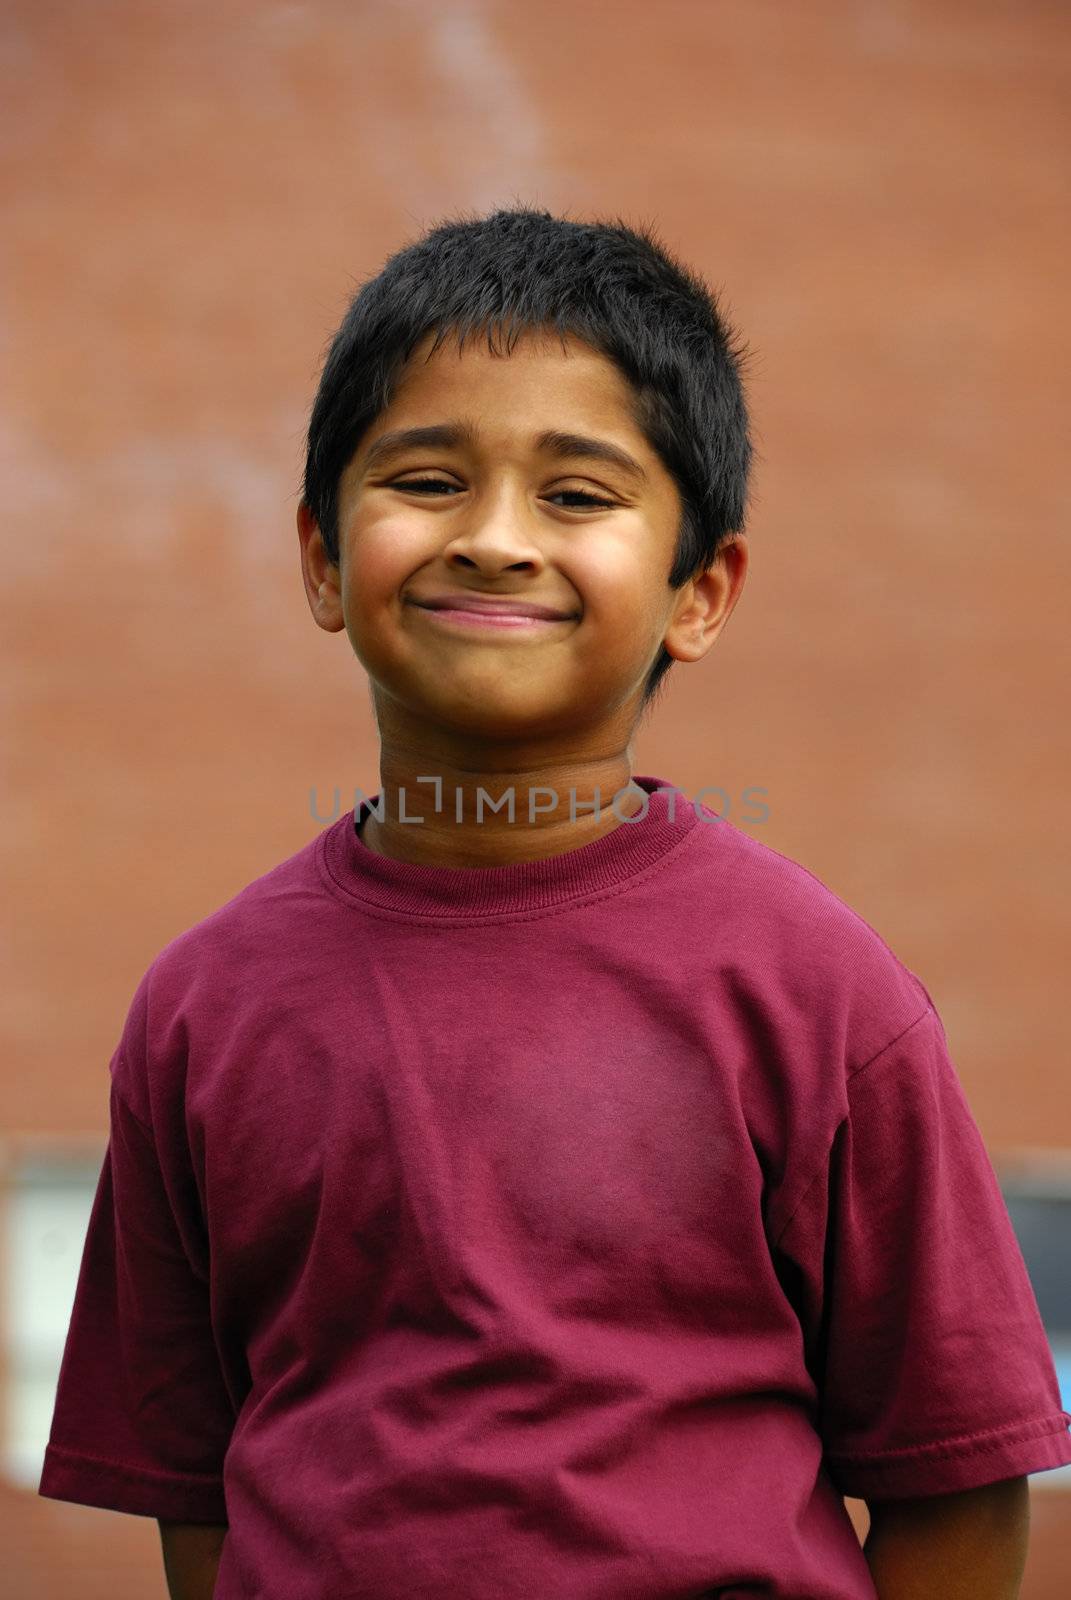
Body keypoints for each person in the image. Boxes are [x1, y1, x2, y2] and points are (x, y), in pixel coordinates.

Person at [39, 205, 1071, 1600]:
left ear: (700, 593)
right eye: (426, 479)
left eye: (578, 496)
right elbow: (202, 1494)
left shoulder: (821, 994)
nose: (497, 541)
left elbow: (958, 1487)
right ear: (322, 561)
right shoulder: (202, 1009)